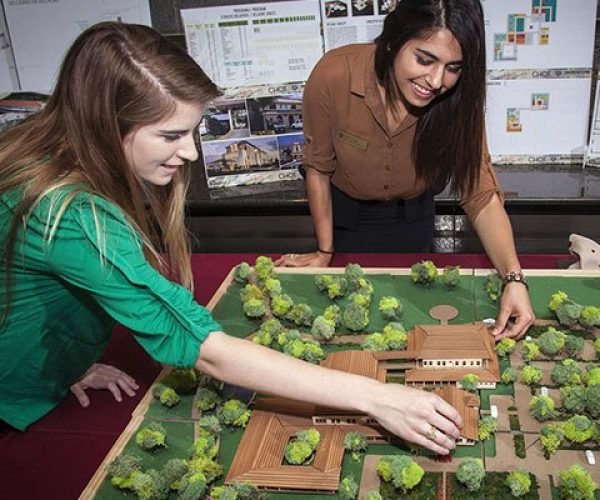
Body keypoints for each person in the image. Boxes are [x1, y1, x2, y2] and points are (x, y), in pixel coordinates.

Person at [0, 22, 461, 455]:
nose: (189, 152)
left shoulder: (53, 150)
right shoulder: (70, 214)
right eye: (170, 134)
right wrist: (379, 398)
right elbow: (210, 354)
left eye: (192, 131)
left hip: (43, 381)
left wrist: (67, 364)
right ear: (105, 124)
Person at [276, 0, 535, 339]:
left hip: (414, 216)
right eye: (424, 60)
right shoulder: (333, 74)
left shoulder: (458, 100)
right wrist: (325, 251)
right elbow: (318, 168)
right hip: (346, 218)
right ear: (393, 40)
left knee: (408, 317)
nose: (436, 81)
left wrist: (513, 279)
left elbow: (480, 193)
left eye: (453, 67)